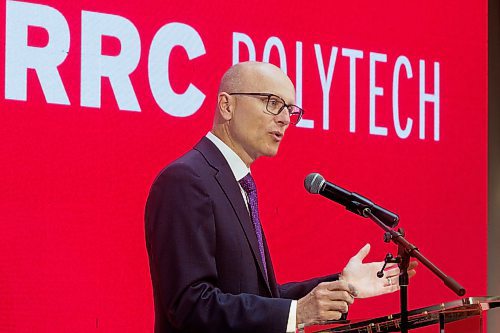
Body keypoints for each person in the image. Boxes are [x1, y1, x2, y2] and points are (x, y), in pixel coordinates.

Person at [145, 61, 416, 333]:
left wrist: (342, 285)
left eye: (290, 109)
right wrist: (297, 313)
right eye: (273, 103)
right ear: (227, 106)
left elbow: (261, 299)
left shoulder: (236, 184)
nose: (285, 118)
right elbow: (190, 306)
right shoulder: (186, 180)